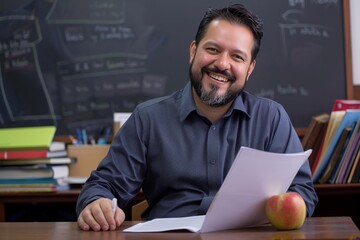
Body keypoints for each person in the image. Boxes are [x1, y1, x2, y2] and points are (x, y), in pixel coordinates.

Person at [76, 3, 318, 231]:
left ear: (250, 68)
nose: (222, 64)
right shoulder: (147, 119)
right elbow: (104, 186)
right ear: (193, 51)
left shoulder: (272, 119)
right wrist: (97, 203)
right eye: (213, 49)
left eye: (237, 57)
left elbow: (301, 191)